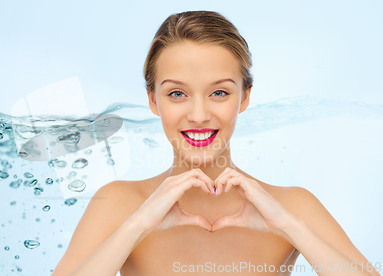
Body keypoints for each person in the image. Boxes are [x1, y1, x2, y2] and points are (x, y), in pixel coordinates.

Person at [52, 10, 380, 276]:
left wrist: (290, 227)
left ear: (244, 97)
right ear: (153, 100)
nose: (198, 115)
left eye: (219, 92)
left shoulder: (292, 207)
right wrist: (138, 225)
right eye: (177, 93)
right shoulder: (120, 203)